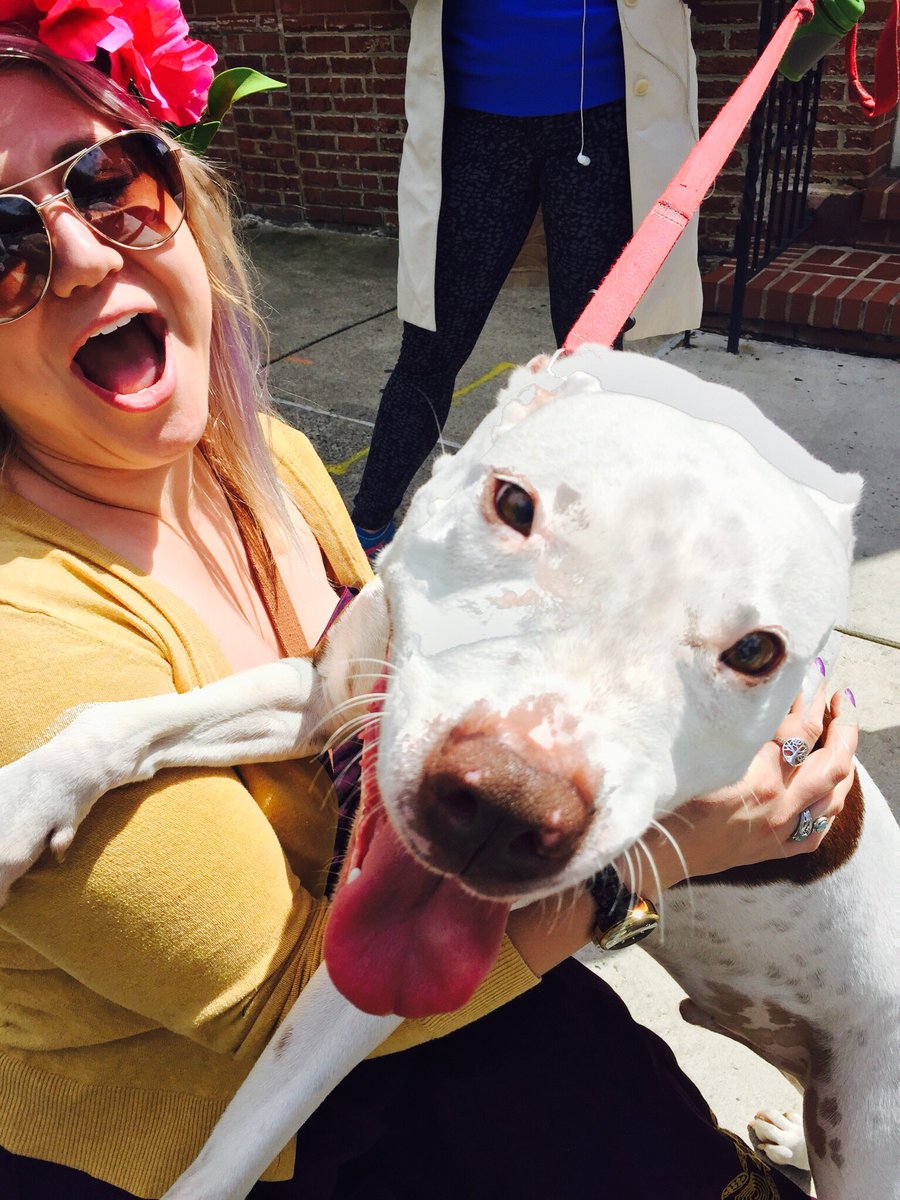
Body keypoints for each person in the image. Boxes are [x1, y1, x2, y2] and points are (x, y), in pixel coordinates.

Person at [0, 22, 858, 1200]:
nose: (83, 256)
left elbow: (332, 692)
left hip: (470, 976)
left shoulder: (264, 462)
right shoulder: (21, 638)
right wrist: (669, 861)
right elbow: (283, 999)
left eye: (110, 180)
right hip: (237, 1113)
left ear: (184, 199)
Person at [352, 0, 704, 554]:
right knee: (432, 344)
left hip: (606, 118)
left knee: (592, 356)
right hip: (473, 119)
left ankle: (585, 540)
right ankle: (365, 530)